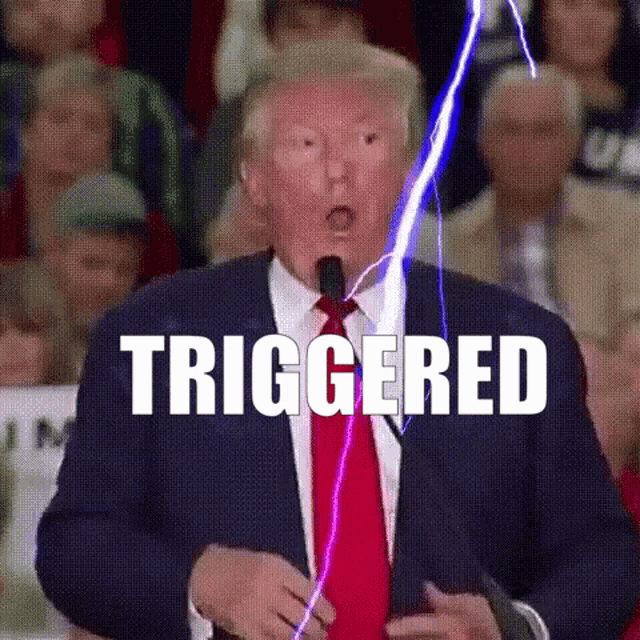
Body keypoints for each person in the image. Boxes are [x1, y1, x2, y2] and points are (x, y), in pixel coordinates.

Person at [36, 40, 639, 640]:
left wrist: (515, 627)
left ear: (410, 173)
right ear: (254, 181)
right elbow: (75, 545)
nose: (337, 171)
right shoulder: (153, 336)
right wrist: (199, 583)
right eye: (306, 145)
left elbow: (603, 553)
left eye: (367, 142)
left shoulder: (519, 342)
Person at [417, 63, 640, 350]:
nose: (526, 148)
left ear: (574, 142)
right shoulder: (446, 241)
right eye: (511, 131)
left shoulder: (626, 221)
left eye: (543, 132)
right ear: (484, 142)